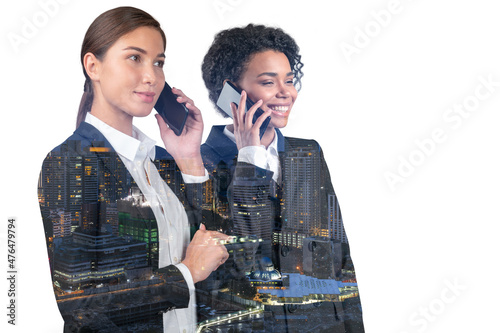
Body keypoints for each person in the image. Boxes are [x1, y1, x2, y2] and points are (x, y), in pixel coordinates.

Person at [38, 7, 229, 332]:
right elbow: (79, 305)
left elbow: (220, 249)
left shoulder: (162, 160)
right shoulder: (69, 161)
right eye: (134, 58)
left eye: (158, 62)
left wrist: (190, 159)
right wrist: (185, 273)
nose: (152, 76)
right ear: (93, 66)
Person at [199, 24, 365, 332]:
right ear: (230, 92)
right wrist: (250, 156)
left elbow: (341, 257)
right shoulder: (200, 164)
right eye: (268, 81)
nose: (286, 92)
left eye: (289, 80)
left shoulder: (308, 153)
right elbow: (242, 257)